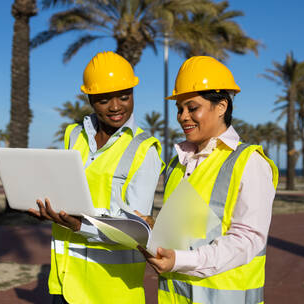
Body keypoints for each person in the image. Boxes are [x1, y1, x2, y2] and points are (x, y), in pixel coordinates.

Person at [29, 51, 164, 304]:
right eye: (104, 100)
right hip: (65, 282)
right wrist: (44, 208)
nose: (116, 107)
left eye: (124, 97)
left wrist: (79, 224)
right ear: (90, 98)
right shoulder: (73, 135)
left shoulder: (145, 150)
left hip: (112, 291)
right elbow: (64, 191)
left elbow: (136, 230)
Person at [145, 56, 278, 304]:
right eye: (179, 109)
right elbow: (187, 232)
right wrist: (151, 229)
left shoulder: (249, 162)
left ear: (221, 106)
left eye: (192, 108)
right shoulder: (177, 163)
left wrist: (181, 260)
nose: (183, 116)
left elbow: (247, 240)